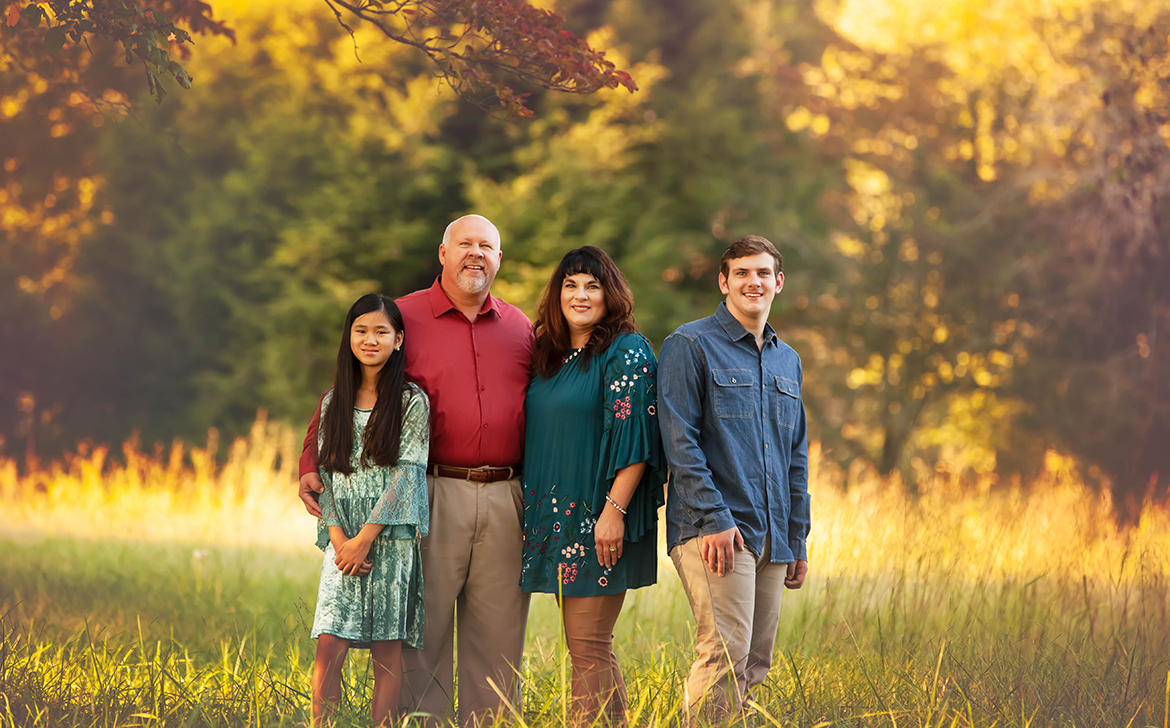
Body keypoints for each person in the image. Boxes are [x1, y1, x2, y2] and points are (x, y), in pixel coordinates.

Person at [298, 215, 534, 726]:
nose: (476, 254)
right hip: (427, 490)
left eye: (487, 246)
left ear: (499, 259)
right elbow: (345, 393)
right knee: (421, 629)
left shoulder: (520, 327)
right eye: (465, 244)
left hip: (506, 493)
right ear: (443, 253)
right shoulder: (401, 318)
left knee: (497, 634)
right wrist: (307, 462)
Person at [657, 235, 811, 720]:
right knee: (724, 653)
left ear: (778, 283)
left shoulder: (789, 360)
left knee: (755, 663)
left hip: (773, 535)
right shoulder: (690, 344)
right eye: (742, 272)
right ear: (724, 282)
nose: (754, 281)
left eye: (763, 272)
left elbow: (796, 457)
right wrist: (715, 518)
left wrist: (797, 537)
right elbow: (679, 443)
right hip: (716, 530)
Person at [520, 246, 666, 725]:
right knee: (590, 647)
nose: (580, 295)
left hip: (599, 521)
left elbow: (638, 442)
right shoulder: (549, 350)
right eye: (571, 285)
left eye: (592, 285)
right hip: (556, 523)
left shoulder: (625, 350)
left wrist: (613, 513)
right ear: (557, 294)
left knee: (587, 646)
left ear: (610, 294)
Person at [309, 293, 430, 726]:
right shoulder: (332, 401)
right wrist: (341, 540)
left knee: (387, 650)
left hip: (389, 539)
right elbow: (326, 475)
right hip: (342, 543)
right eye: (361, 330)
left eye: (381, 331)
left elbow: (408, 474)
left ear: (398, 339)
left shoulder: (411, 401)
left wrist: (366, 539)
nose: (370, 339)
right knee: (329, 645)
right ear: (350, 337)